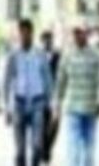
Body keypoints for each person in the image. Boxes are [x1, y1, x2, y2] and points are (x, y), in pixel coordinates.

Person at [54, 21, 99, 166]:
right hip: (73, 109)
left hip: (90, 109)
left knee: (89, 149)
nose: (77, 36)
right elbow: (60, 81)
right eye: (75, 33)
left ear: (87, 34)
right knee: (73, 150)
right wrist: (57, 103)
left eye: (80, 32)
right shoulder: (67, 56)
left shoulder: (96, 56)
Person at [3, 19, 54, 166]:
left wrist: (50, 104)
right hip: (19, 104)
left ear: (32, 33)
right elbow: (6, 81)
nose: (24, 36)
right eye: (22, 33)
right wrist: (7, 107)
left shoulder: (40, 54)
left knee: (37, 146)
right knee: (20, 151)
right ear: (19, 34)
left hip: (38, 103)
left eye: (27, 32)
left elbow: (47, 79)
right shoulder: (13, 55)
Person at [38, 30, 62, 165]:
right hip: (40, 96)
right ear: (41, 41)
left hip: (55, 95)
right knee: (41, 125)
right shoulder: (37, 56)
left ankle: (47, 148)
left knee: (55, 124)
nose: (47, 42)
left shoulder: (59, 56)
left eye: (49, 39)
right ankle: (45, 153)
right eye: (45, 40)